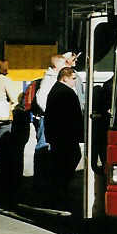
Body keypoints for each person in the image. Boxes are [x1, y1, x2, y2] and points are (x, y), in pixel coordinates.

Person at [45, 66, 84, 208]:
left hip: (57, 136)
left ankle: (58, 192)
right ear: (65, 77)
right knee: (68, 162)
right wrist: (80, 134)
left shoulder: (55, 90)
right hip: (66, 136)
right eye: (73, 78)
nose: (75, 81)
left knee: (61, 164)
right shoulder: (67, 92)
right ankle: (61, 192)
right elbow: (75, 117)